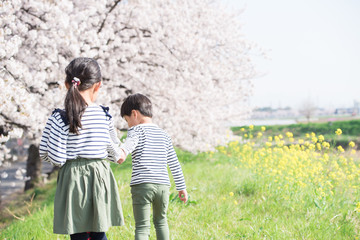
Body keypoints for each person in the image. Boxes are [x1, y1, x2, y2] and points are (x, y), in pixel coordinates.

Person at [39, 57, 124, 240]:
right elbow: (112, 149)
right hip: (99, 174)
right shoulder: (104, 114)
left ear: (66, 84)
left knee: (77, 231)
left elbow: (53, 156)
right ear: (97, 85)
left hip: (73, 176)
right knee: (98, 230)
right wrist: (118, 155)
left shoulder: (60, 117)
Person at [117, 93, 188, 240]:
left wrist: (120, 150)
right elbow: (174, 163)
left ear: (134, 114)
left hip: (142, 185)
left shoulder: (136, 131)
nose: (128, 124)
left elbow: (127, 147)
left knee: (142, 227)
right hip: (162, 186)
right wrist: (181, 187)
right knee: (161, 221)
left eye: (127, 120)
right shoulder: (164, 135)